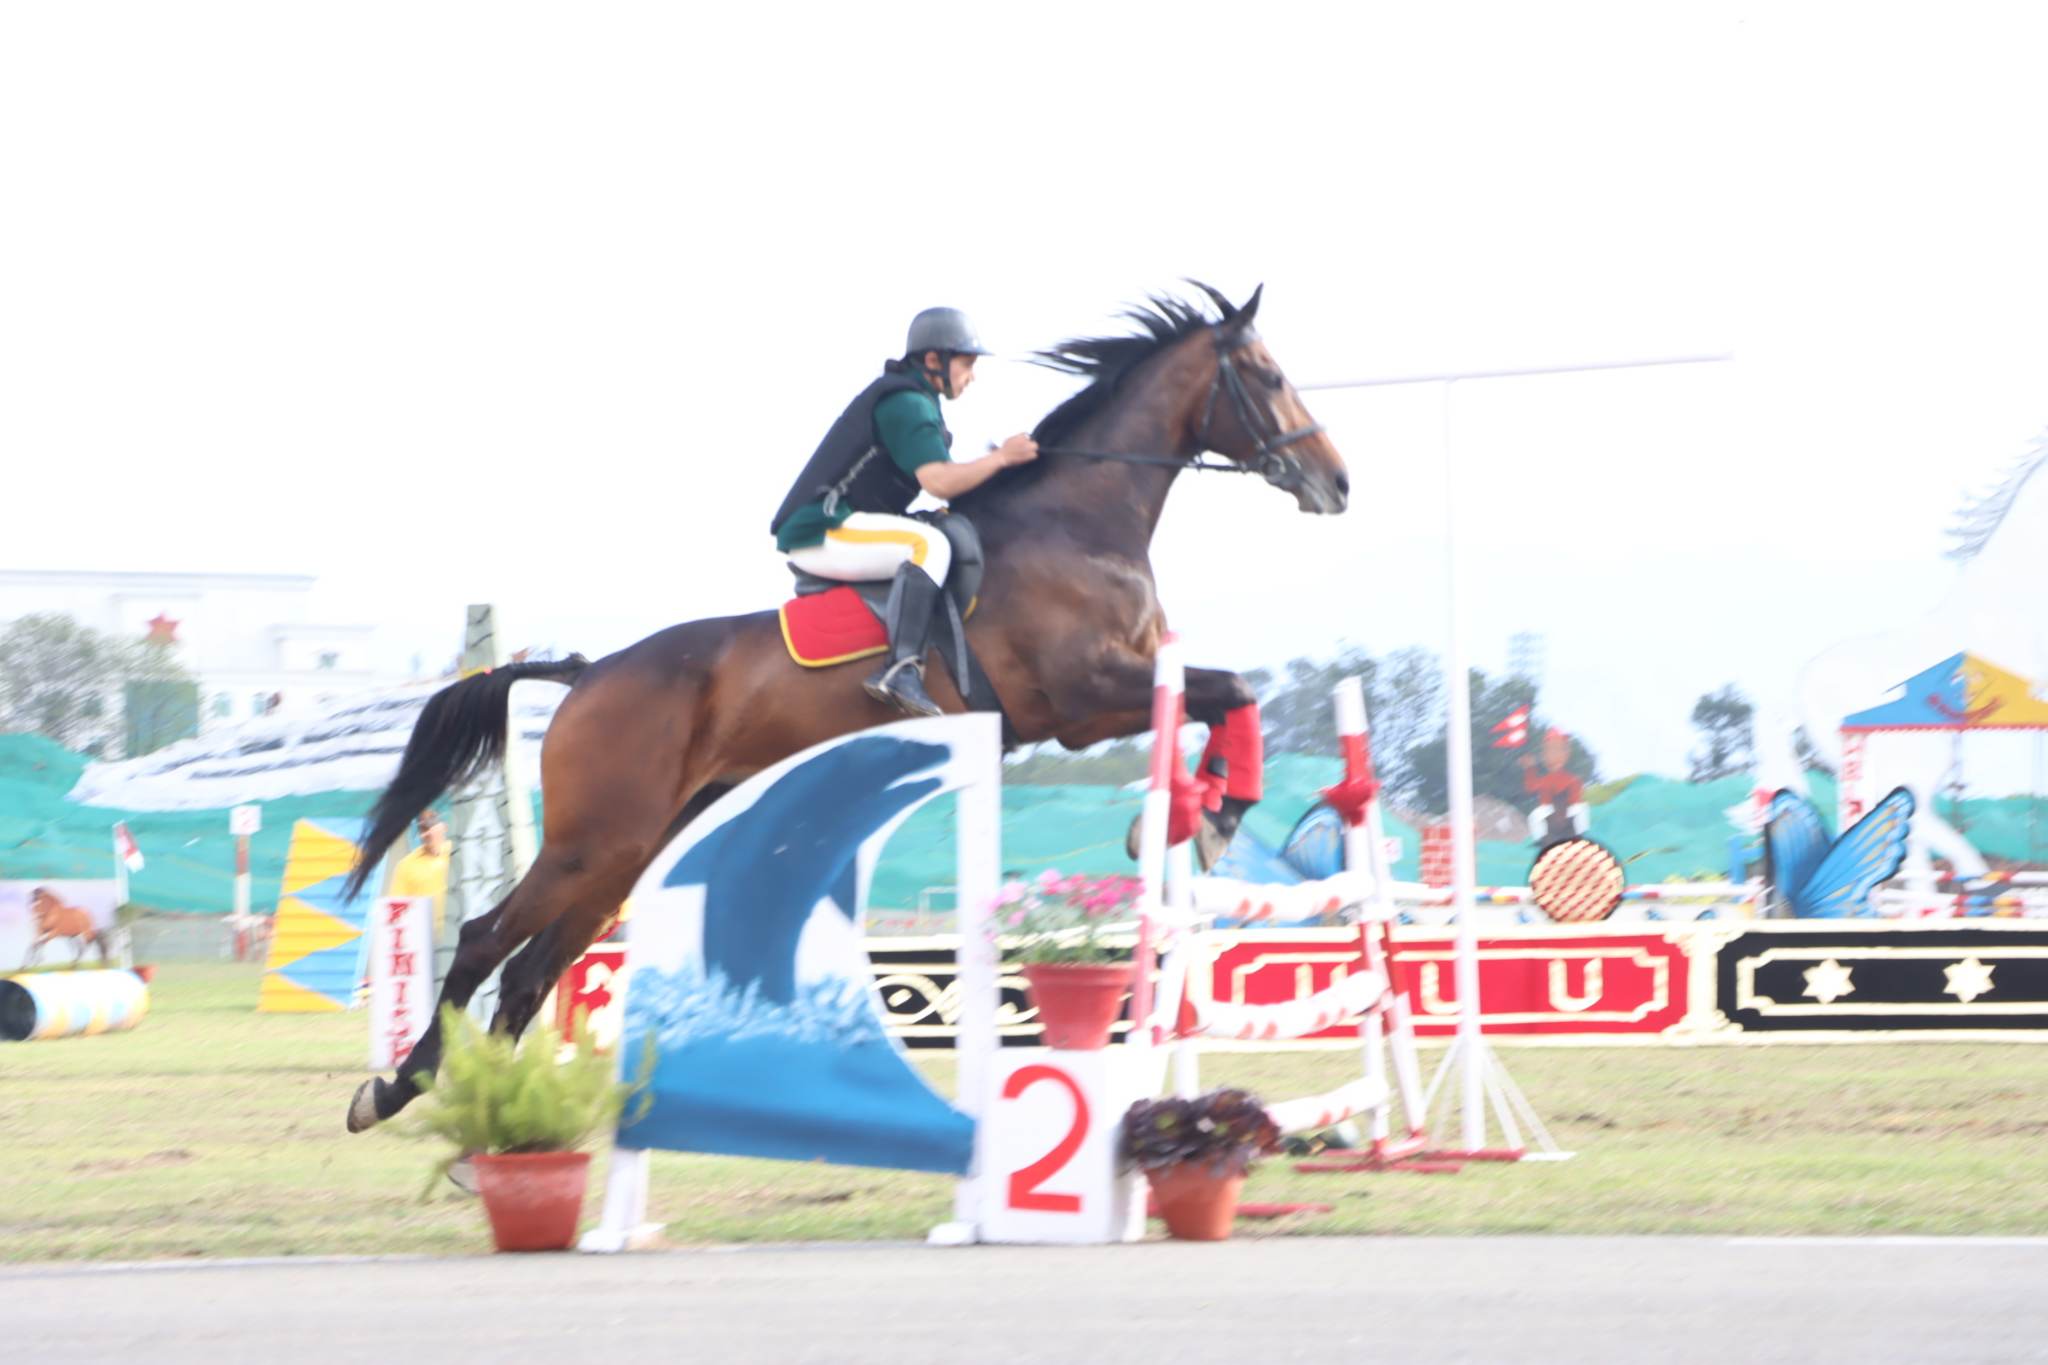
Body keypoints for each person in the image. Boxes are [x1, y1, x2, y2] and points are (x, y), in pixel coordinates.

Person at [770, 307, 1038, 717]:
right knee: (927, 546)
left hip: (841, 523)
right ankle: (900, 670)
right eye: (967, 363)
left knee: (937, 534)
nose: (972, 376)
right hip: (821, 527)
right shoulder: (907, 403)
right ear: (933, 360)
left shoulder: (918, 400)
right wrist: (1001, 458)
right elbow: (939, 480)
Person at [390, 809, 451, 935]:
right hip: (423, 935)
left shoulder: (458, 852)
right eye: (422, 830)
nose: (426, 834)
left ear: (444, 827)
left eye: (430, 827)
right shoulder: (406, 865)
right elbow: (396, 908)